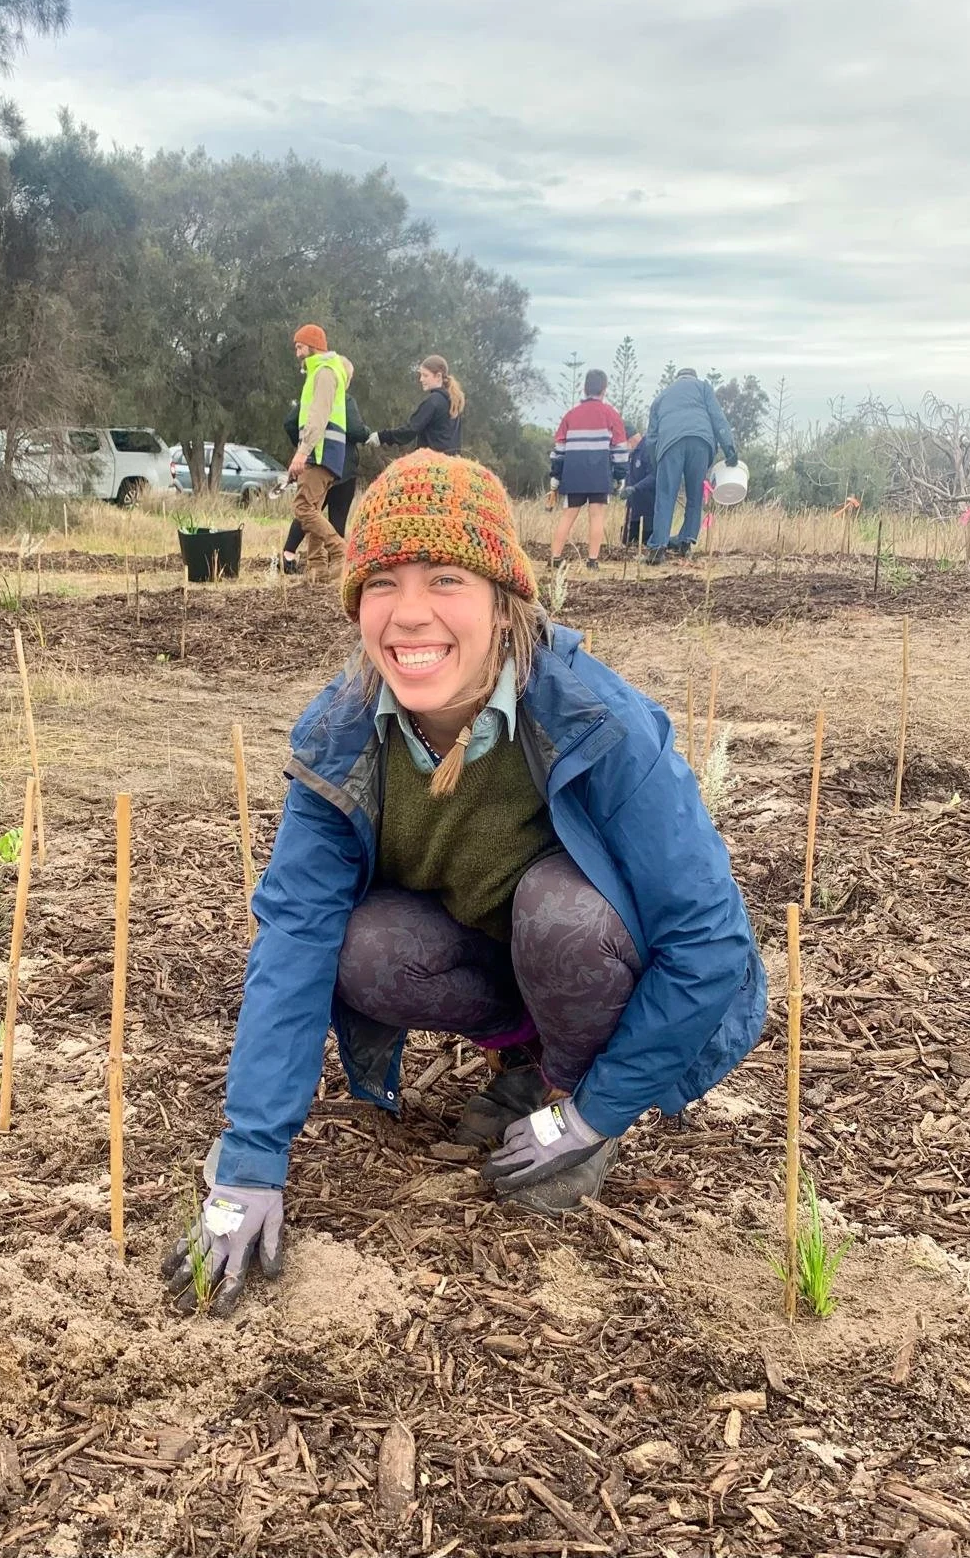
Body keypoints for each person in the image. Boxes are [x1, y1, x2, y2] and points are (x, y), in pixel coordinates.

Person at [163, 449, 767, 1315]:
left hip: (595, 956)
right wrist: (250, 1163)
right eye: (381, 584)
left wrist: (594, 1114)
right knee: (362, 947)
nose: (409, 613)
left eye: (444, 579)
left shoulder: (597, 719)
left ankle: (569, 1095)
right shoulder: (342, 736)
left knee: (561, 913)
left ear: (501, 598)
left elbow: (707, 944)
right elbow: (294, 937)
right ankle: (524, 1060)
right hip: (493, 957)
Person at [281, 357, 369, 575]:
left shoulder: (313, 398)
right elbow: (357, 430)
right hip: (342, 466)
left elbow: (290, 422)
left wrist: (301, 446)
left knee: (311, 511)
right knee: (326, 515)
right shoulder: (345, 400)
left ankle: (314, 563)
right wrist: (367, 433)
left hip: (315, 459)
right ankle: (335, 557)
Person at [643, 369, 737, 563]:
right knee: (695, 495)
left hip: (670, 445)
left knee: (665, 496)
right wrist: (730, 449)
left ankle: (658, 549)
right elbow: (717, 417)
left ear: (677, 378)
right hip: (700, 443)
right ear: (693, 377)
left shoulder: (662, 396)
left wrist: (656, 466)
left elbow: (651, 437)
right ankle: (686, 543)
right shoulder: (703, 387)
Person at [547, 369, 627, 570]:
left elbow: (559, 449)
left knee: (567, 515)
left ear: (584, 388)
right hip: (599, 474)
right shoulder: (611, 414)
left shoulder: (571, 415)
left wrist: (556, 475)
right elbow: (620, 449)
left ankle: (554, 557)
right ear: (604, 389)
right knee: (597, 515)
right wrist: (620, 475)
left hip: (573, 473)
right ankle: (592, 561)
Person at [286, 323, 349, 574]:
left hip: (320, 451)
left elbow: (318, 417)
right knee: (313, 509)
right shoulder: (324, 372)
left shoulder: (323, 373)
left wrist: (303, 452)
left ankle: (340, 550)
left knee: (302, 508)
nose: (297, 353)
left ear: (313, 346)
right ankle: (318, 567)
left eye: (300, 347)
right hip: (327, 452)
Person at [368, 355, 464, 456]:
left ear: (438, 376)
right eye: (421, 375)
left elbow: (411, 430)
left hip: (431, 461)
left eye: (425, 375)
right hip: (451, 461)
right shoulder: (453, 400)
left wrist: (381, 437)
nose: (421, 379)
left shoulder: (433, 401)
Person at [621, 433, 655, 547]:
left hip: (647, 509)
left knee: (644, 543)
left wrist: (635, 488)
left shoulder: (648, 449)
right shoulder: (632, 453)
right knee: (626, 541)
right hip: (632, 509)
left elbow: (654, 476)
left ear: (630, 439)